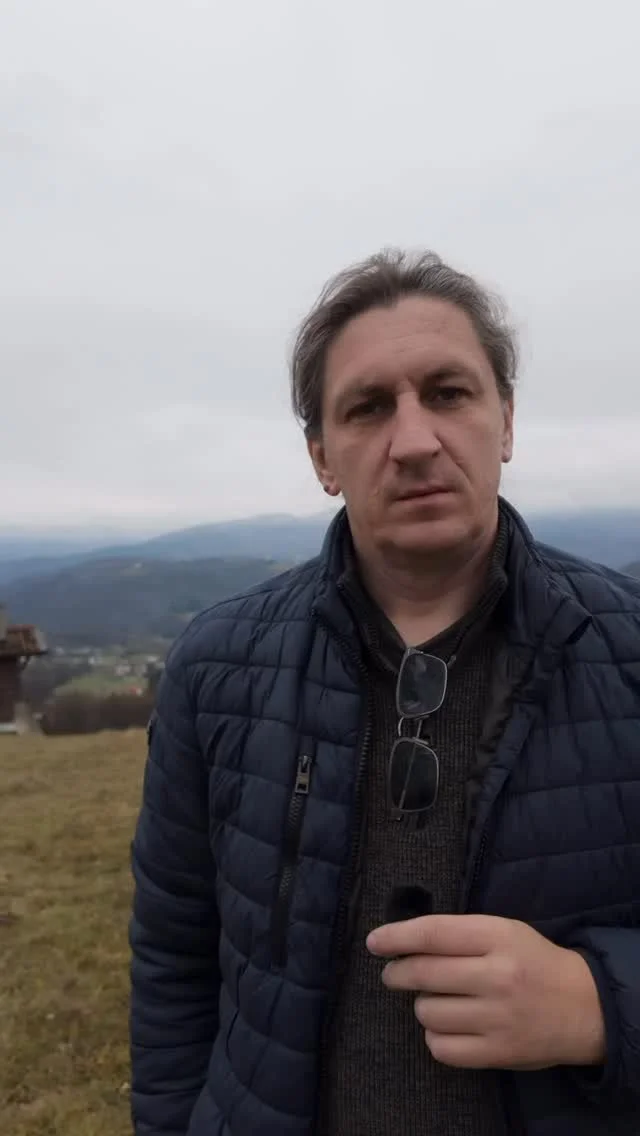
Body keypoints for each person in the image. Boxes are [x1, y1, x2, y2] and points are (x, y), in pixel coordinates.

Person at [128, 249, 640, 1136]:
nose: (414, 441)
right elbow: (175, 963)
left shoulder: (628, 652)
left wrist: (600, 1006)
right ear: (322, 458)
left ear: (506, 423)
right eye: (368, 407)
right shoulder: (215, 670)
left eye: (449, 393)